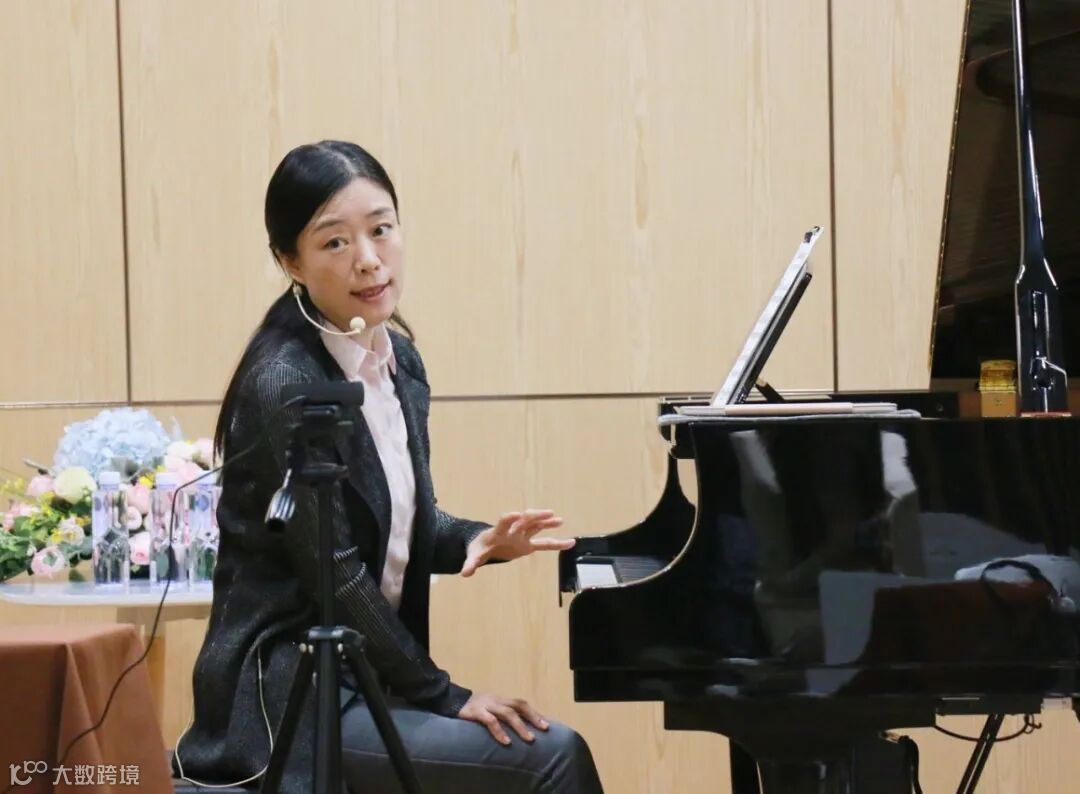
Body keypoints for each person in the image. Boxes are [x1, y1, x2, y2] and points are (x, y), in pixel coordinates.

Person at [173, 140, 605, 793]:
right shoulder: (287, 382)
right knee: (551, 757)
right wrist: (445, 694)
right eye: (335, 242)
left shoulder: (398, 362)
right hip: (291, 698)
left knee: (542, 749)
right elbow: (337, 572)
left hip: (366, 678)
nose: (369, 259)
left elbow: (399, 520)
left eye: (381, 229)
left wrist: (478, 541)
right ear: (290, 261)